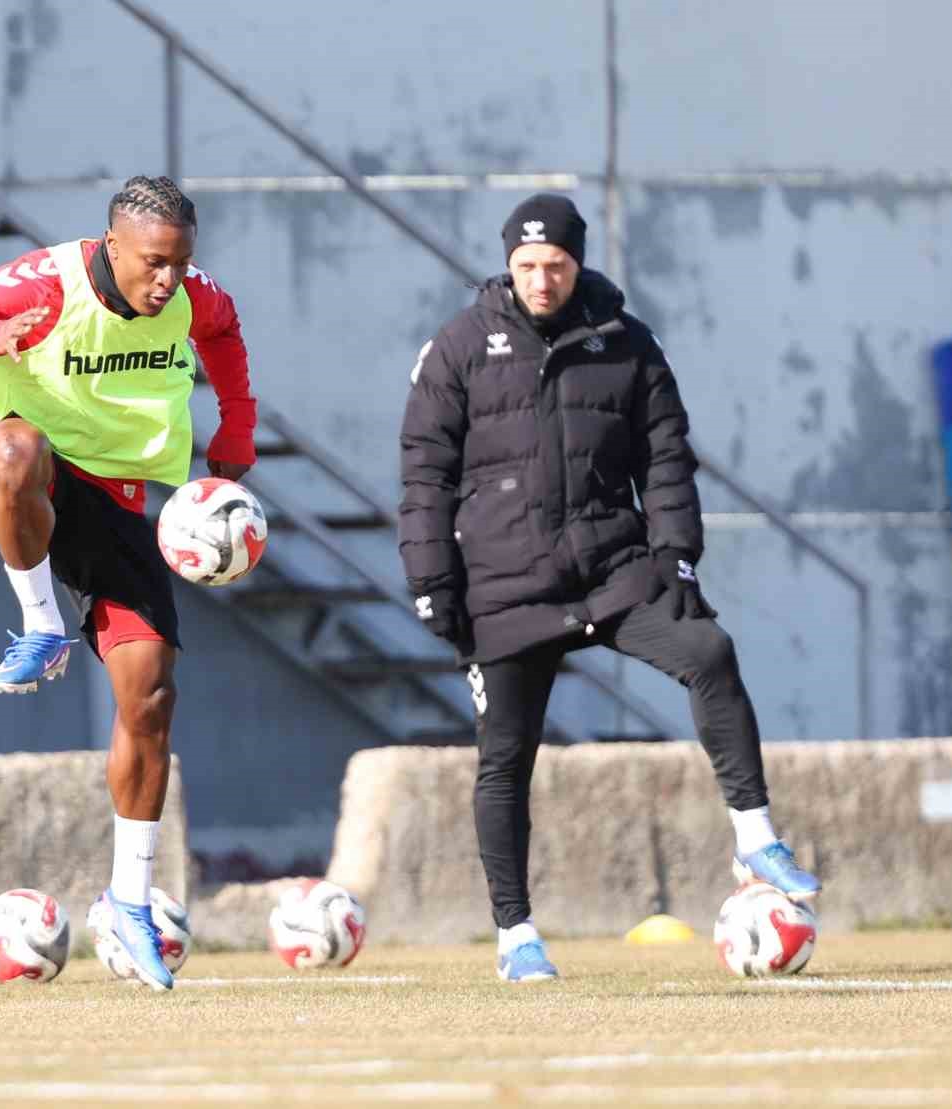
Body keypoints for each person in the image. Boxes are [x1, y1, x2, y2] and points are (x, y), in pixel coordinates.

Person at [397, 194, 819, 983]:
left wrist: (677, 554)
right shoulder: (457, 347)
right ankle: (516, 935)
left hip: (612, 570)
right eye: (526, 266)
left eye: (555, 264)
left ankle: (755, 832)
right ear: (507, 264)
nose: (541, 279)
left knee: (710, 651)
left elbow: (665, 458)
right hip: (505, 584)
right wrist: (431, 580)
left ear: (578, 261)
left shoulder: (627, 341)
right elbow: (424, 471)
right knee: (505, 760)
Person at [0, 175, 257, 991]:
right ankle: (41, 619)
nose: (169, 281)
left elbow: (225, 333)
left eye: (181, 264)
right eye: (154, 263)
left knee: (150, 694)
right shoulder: (45, 282)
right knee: (15, 452)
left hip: (120, 501)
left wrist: (237, 426)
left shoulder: (194, 295)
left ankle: (128, 900)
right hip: (28, 476)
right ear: (113, 245)